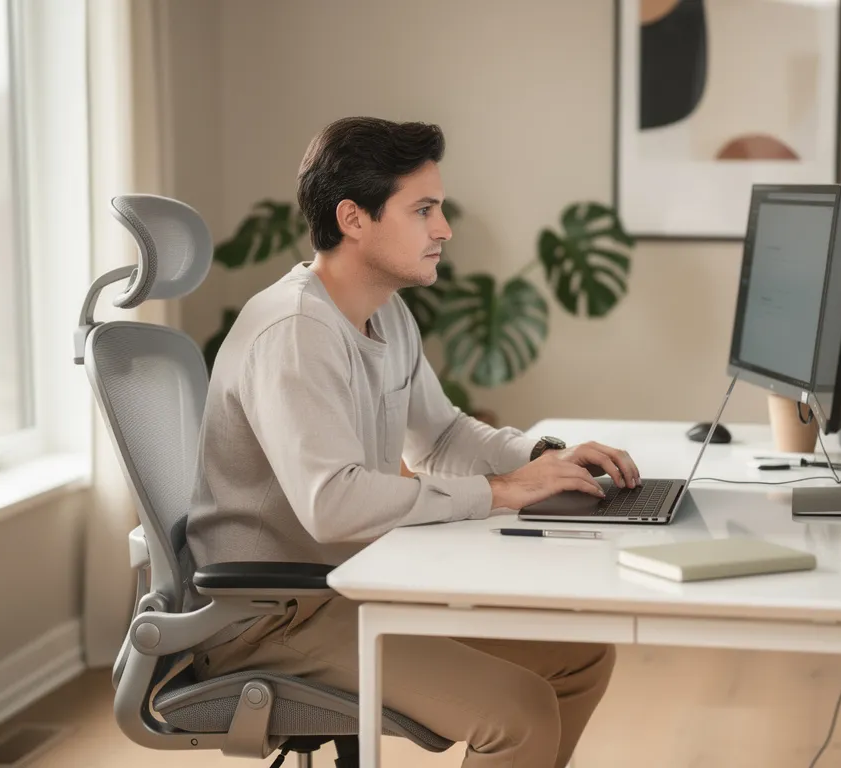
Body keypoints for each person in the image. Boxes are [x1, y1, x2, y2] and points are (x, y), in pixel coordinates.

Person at [186, 116, 640, 768]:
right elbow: (333, 505)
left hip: (342, 590)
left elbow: (441, 434)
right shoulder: (295, 330)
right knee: (519, 714)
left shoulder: (385, 312)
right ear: (354, 219)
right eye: (423, 209)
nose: (444, 228)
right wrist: (502, 492)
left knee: (580, 657)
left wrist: (543, 461)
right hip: (271, 619)